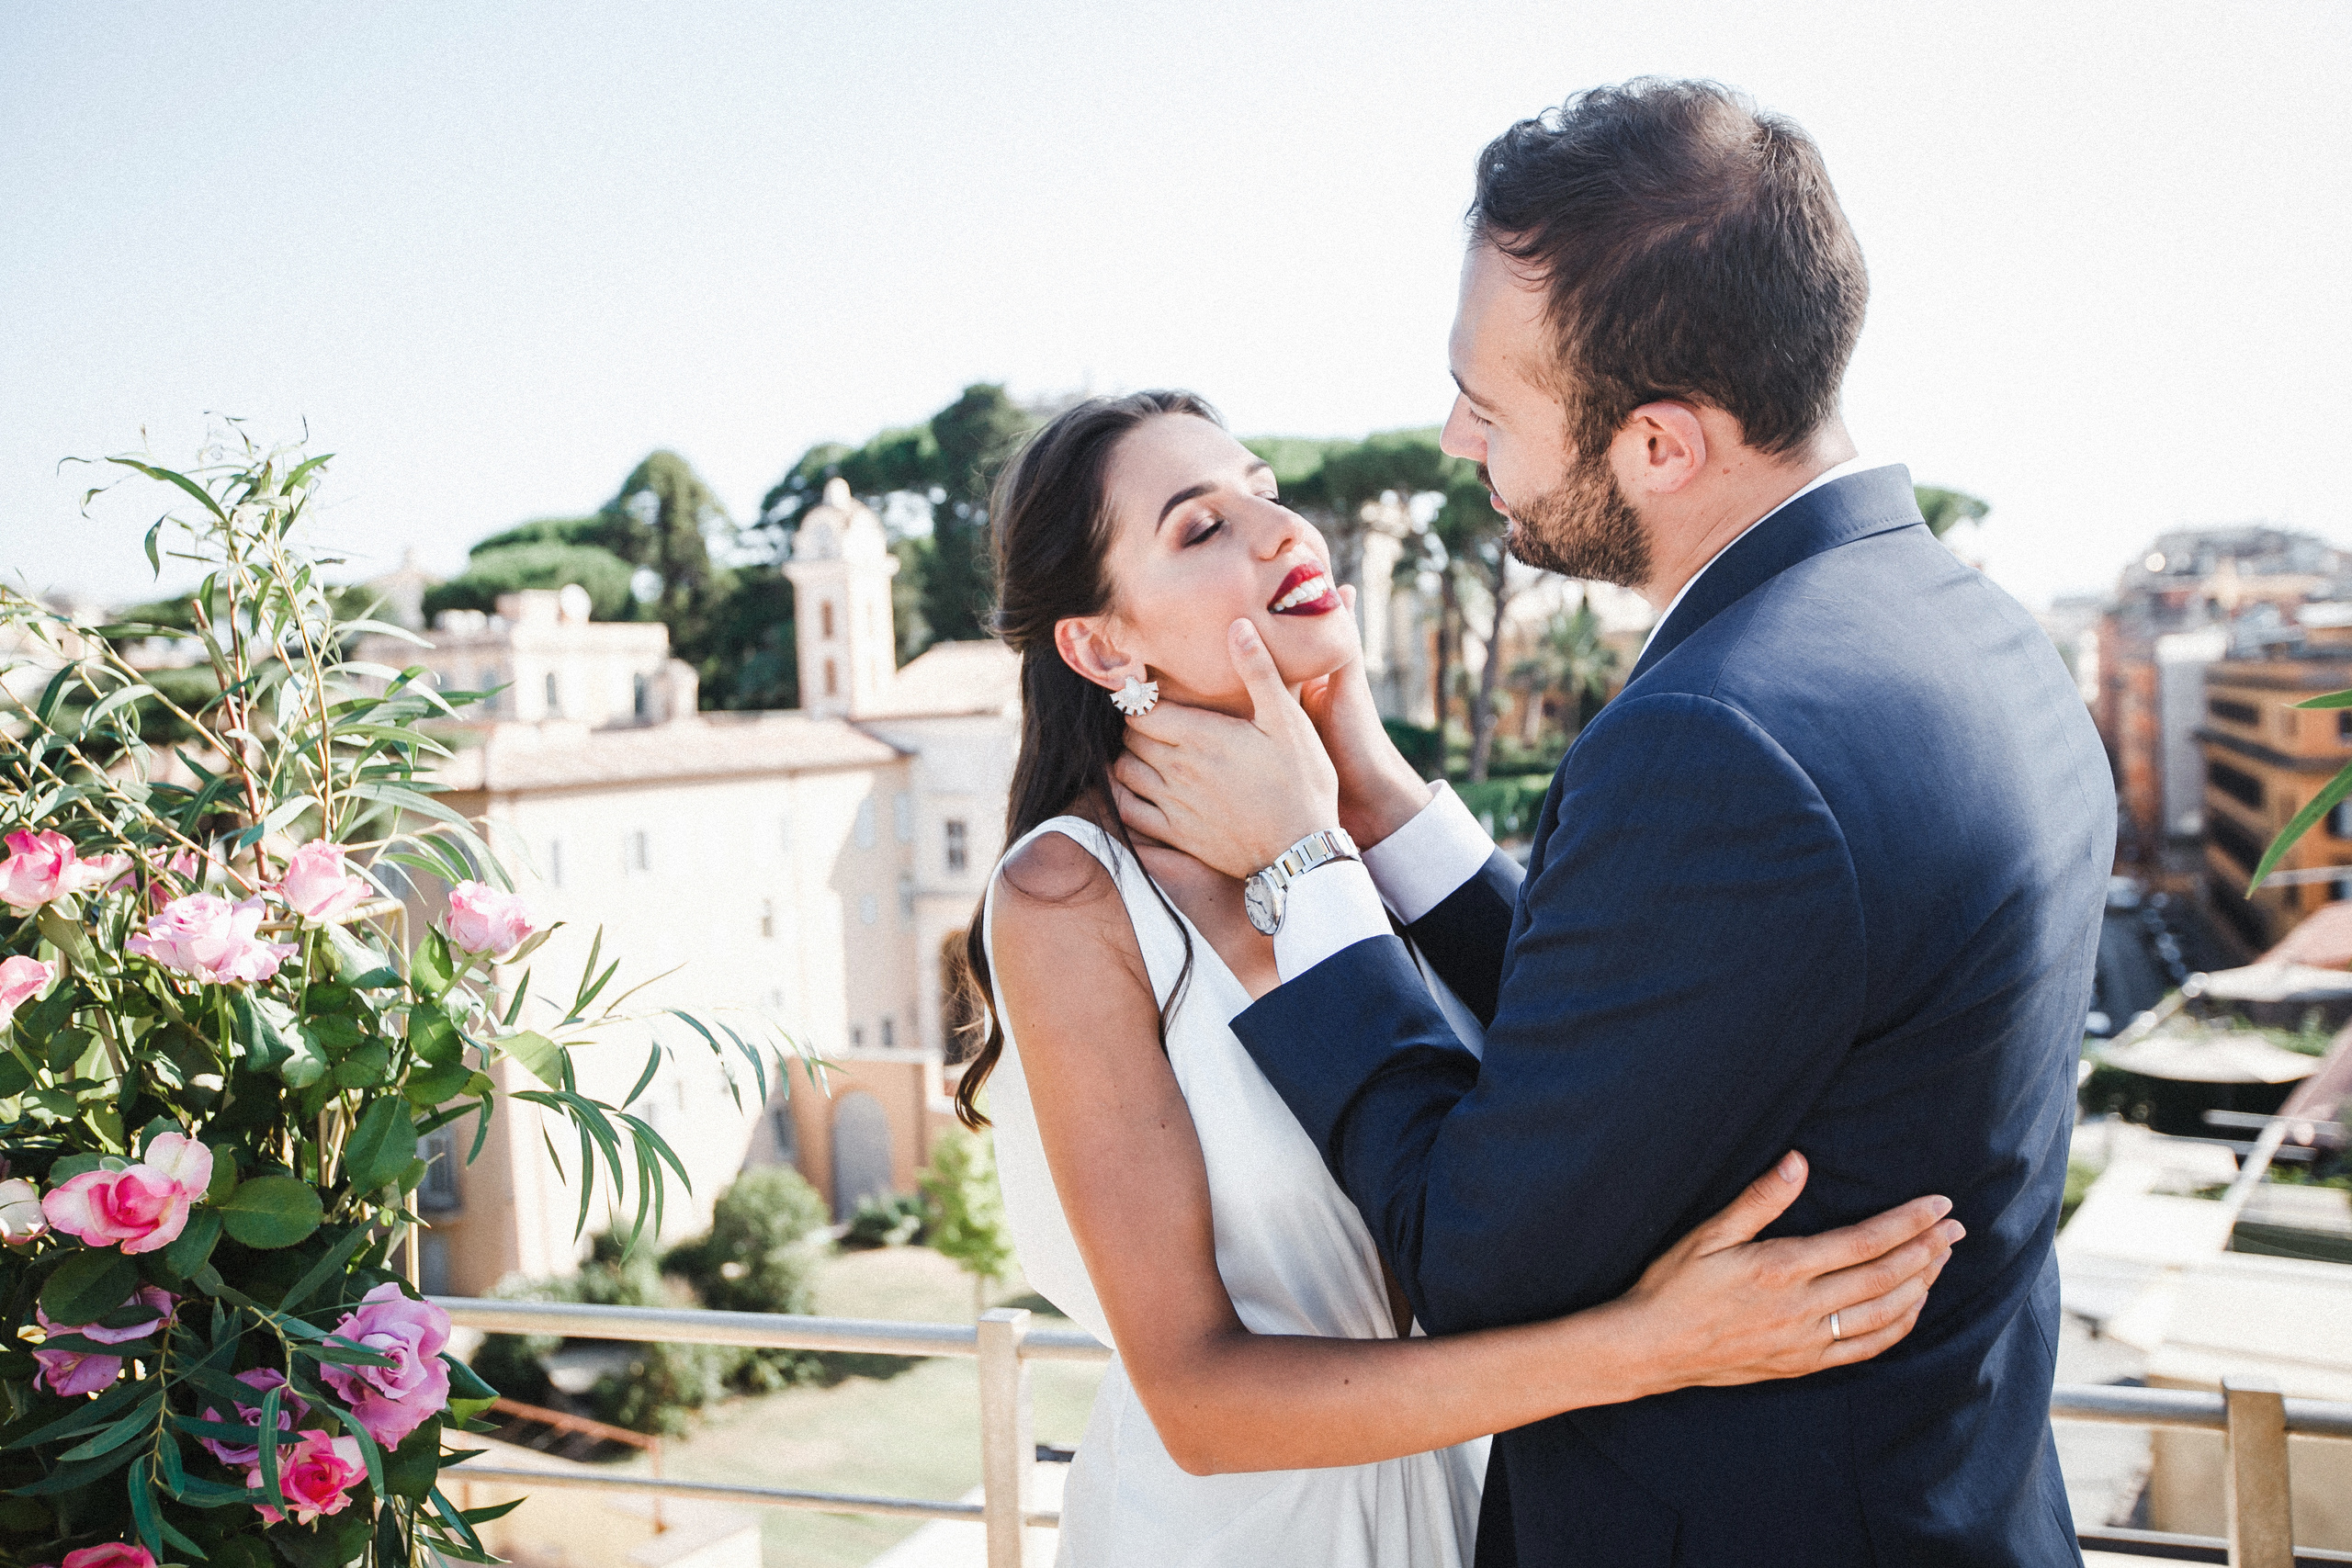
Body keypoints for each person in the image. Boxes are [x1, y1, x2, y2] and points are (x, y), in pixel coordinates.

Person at [1112, 82, 2114, 1567]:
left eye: (1491, 404)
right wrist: (1382, 801)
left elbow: (1470, 1248)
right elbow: (1664, 1031)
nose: (1454, 439)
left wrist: (1304, 866)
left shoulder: (1719, 735)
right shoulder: (1980, 631)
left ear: (1657, 447)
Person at [963, 388, 1964, 1568]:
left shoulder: (1355, 843)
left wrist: (1363, 778)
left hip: (1478, 1514)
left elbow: (1573, 1064)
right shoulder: (1069, 898)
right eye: (1200, 528)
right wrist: (1652, 1345)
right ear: (1100, 645)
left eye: (1267, 496)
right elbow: (1196, 1401)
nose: (1287, 535)